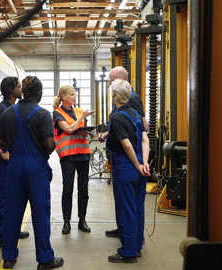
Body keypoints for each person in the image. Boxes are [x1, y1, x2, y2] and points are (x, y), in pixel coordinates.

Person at [0, 76, 64, 270]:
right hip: (36, 169)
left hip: (14, 168)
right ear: (39, 93)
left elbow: (1, 142)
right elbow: (49, 144)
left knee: (12, 213)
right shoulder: (42, 114)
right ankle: (44, 259)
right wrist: (52, 146)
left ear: (24, 92)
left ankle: (9, 257)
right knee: (41, 214)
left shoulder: (7, 113)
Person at [99, 66, 148, 238]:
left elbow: (140, 128)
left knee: (128, 203)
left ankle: (131, 240)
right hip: (129, 158)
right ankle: (127, 232)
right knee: (126, 203)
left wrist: (138, 163)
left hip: (127, 159)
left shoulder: (132, 100)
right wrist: (109, 133)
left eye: (111, 81)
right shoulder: (124, 106)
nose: (109, 83)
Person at [106, 79, 150, 263]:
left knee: (126, 209)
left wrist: (135, 164)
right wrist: (144, 163)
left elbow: (126, 144)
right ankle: (137, 244)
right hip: (141, 166)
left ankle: (129, 252)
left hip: (126, 167)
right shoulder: (134, 113)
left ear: (114, 96)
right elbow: (144, 140)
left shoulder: (116, 117)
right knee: (138, 207)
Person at [0, 77, 29, 248]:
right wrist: (0, 152)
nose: (21, 89)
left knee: (16, 197)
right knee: (4, 198)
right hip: (5, 161)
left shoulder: (14, 108)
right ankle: (3, 235)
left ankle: (13, 230)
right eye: (18, 86)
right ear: (11, 90)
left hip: (15, 159)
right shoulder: (0, 109)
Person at [52, 85, 95, 234]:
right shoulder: (57, 113)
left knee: (84, 189)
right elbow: (68, 129)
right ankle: (66, 222)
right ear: (63, 97)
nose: (74, 97)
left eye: (75, 94)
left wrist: (87, 133)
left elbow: (80, 132)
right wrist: (82, 119)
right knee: (67, 189)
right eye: (71, 94)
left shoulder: (78, 111)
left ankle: (82, 220)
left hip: (83, 154)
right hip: (68, 156)